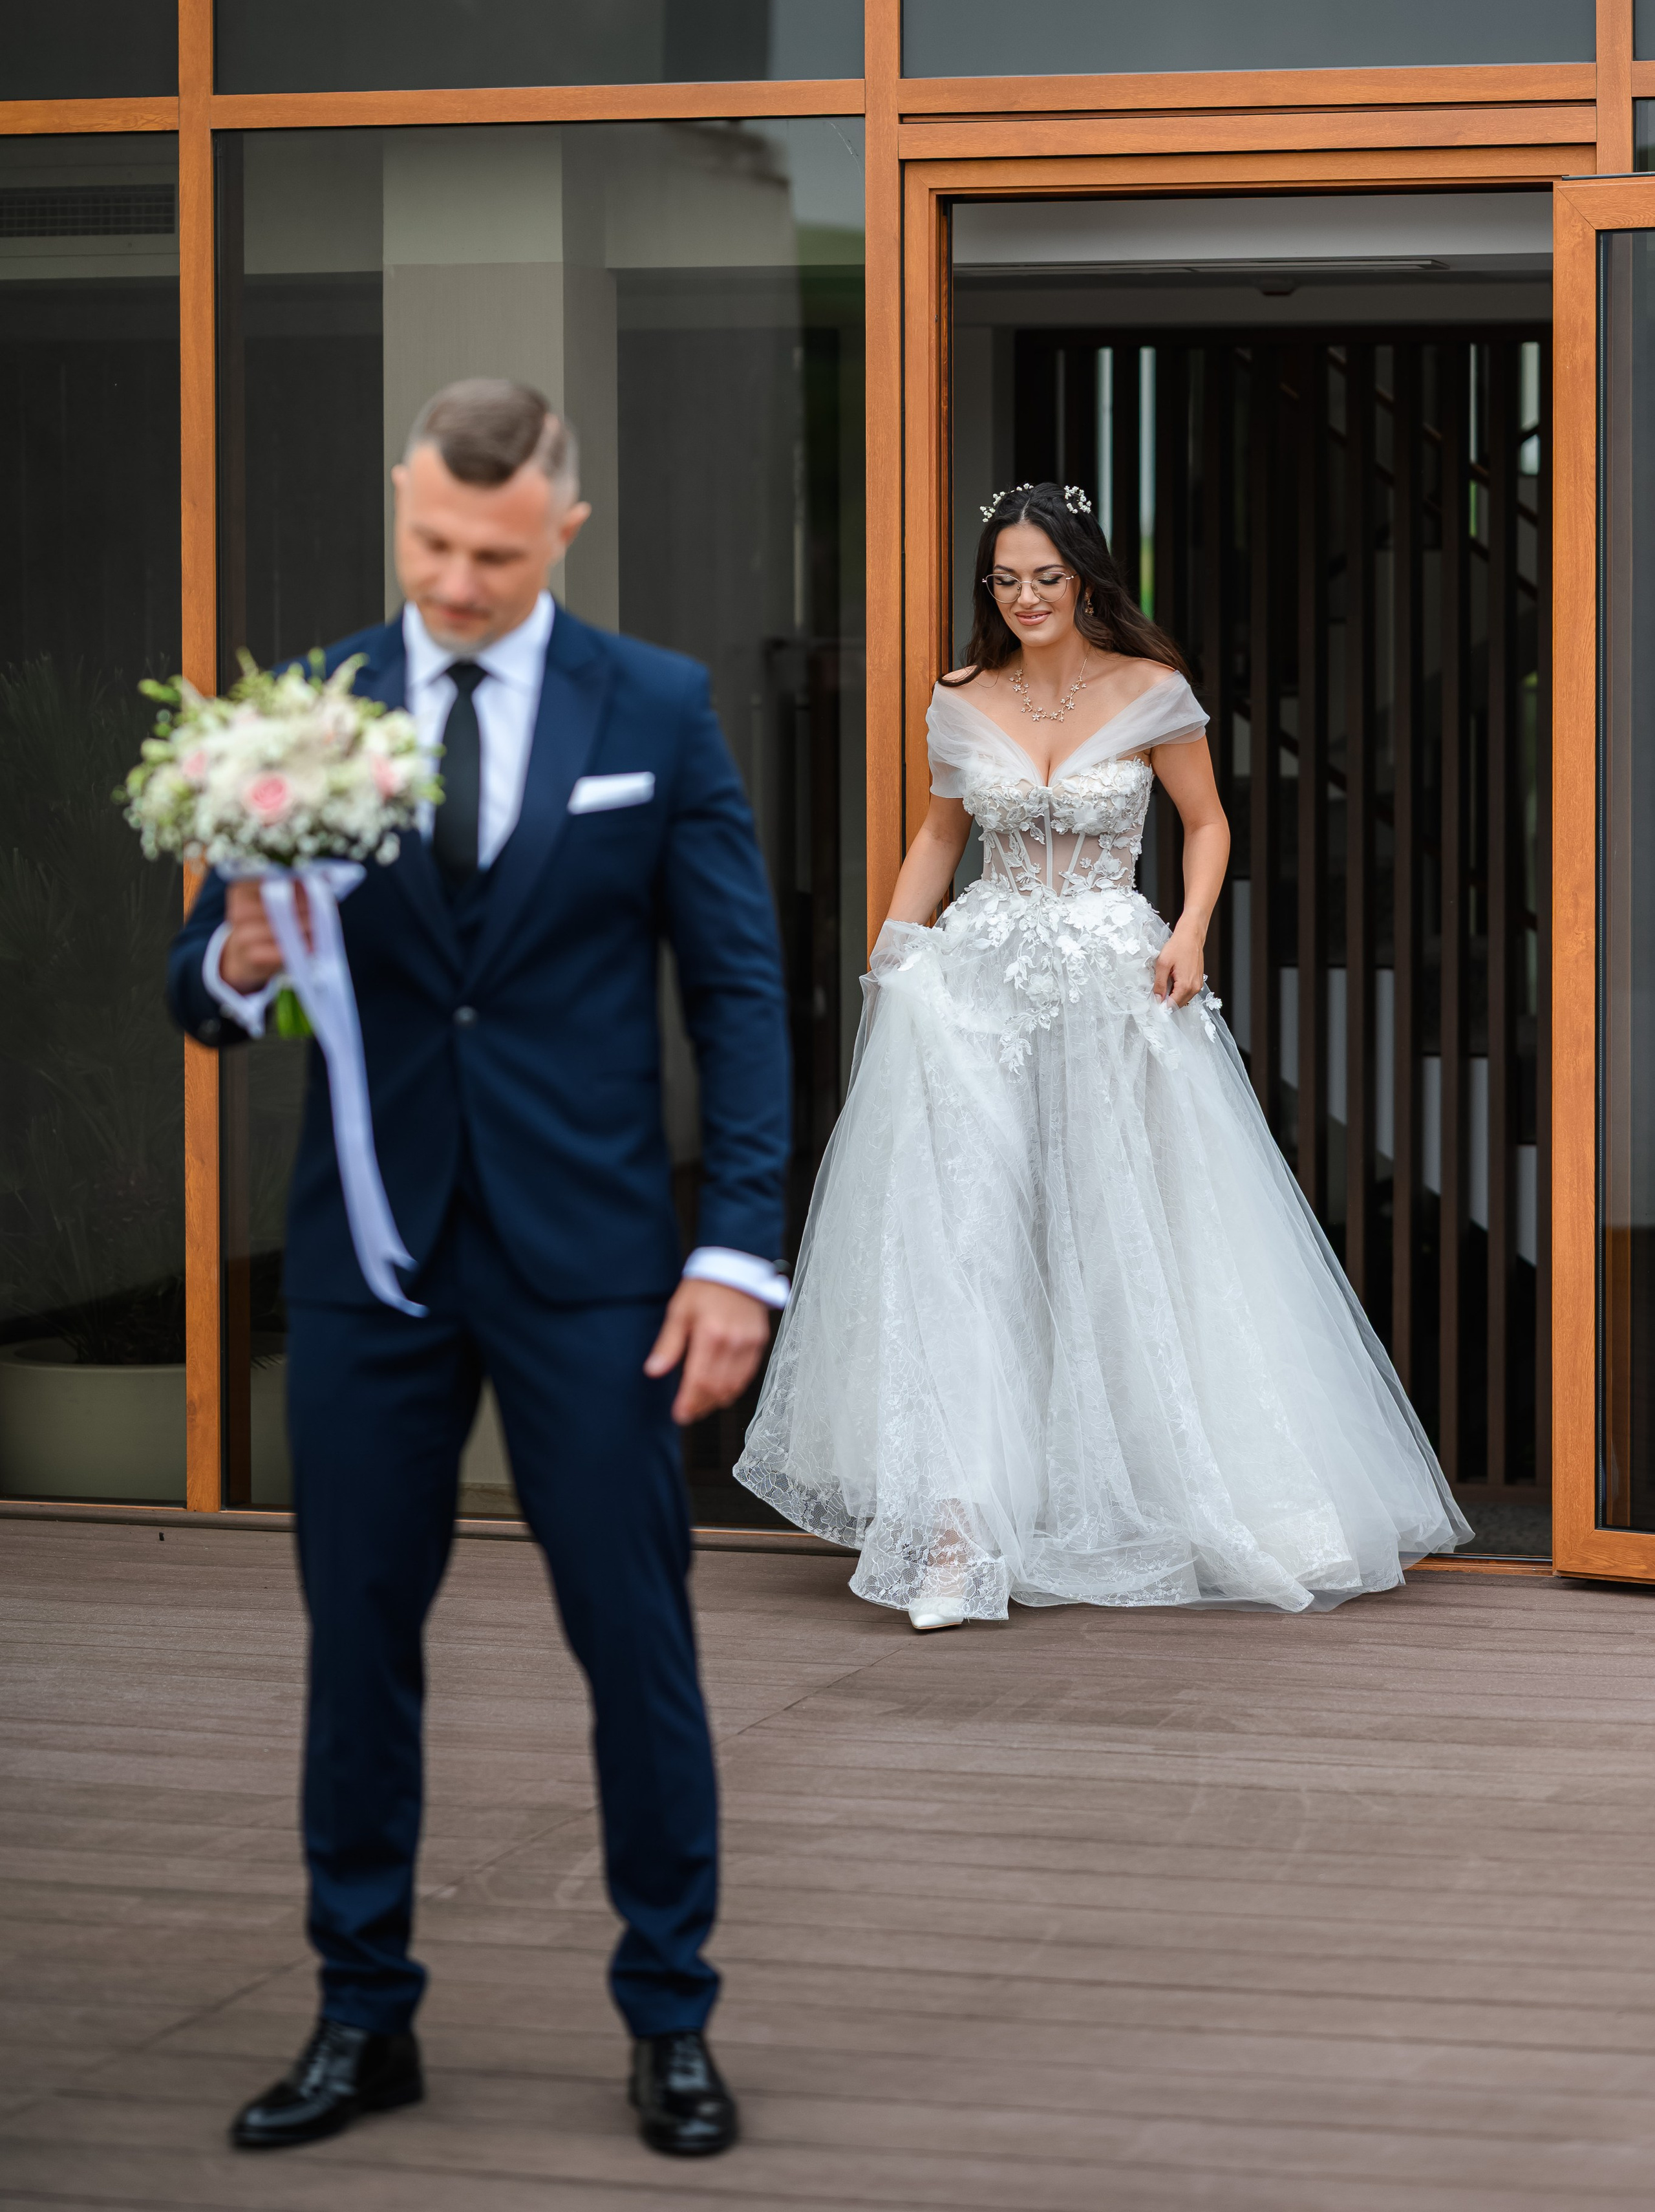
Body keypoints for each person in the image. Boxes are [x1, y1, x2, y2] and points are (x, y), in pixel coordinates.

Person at [167, 379, 791, 2159]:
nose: (453, 579)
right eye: (431, 542)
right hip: (366, 1259)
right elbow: (205, 1006)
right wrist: (232, 953)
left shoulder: (656, 710)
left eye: (494, 555)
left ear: (563, 532)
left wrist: (739, 1251)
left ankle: (670, 2018)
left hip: (596, 1263)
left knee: (635, 1643)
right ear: (401, 502)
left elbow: (738, 997)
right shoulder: (308, 714)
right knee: (356, 1647)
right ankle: (363, 2017)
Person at [736, 479, 1466, 1628]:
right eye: (1006, 579)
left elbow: (1210, 822)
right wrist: (893, 956)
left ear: (1085, 578)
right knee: (965, 1234)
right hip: (977, 985)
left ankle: (1175, 1495)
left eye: (1047, 576)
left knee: (1133, 1230)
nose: (1025, 596)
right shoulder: (961, 697)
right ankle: (954, 1534)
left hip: (1116, 986)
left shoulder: (1152, 690)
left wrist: (1189, 931)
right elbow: (941, 834)